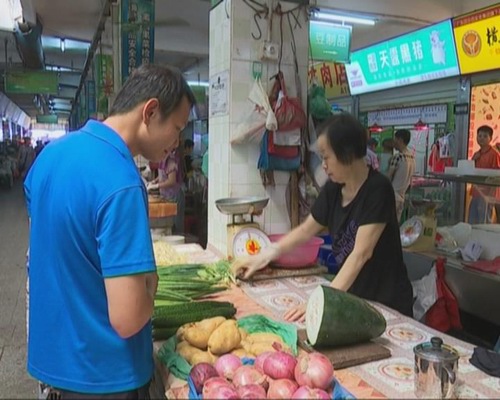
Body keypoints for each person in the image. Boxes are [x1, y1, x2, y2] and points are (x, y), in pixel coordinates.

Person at [24, 64, 195, 399]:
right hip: (105, 378)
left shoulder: (50, 156)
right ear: (150, 111)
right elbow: (128, 319)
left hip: (53, 367)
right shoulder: (121, 181)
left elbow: (51, 247)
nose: (176, 144)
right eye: (176, 129)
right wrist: (150, 285)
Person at [232, 113, 413, 322]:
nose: (323, 165)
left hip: (387, 304)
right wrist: (265, 254)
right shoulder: (334, 189)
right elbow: (306, 230)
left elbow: (361, 254)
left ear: (347, 153)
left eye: (326, 157)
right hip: (355, 299)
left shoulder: (378, 189)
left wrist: (319, 300)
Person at [147, 149, 185, 234]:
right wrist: (155, 181)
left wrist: (157, 186)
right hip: (167, 196)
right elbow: (164, 174)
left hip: (175, 196)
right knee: (170, 224)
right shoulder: (162, 161)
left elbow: (172, 181)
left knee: (176, 224)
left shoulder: (170, 161)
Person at [468, 125, 500, 224]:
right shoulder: (477, 154)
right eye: (480, 135)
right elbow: (469, 171)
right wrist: (473, 160)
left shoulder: (494, 154)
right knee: (472, 221)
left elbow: (497, 177)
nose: (481, 138)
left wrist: (489, 196)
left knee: (484, 222)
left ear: (490, 138)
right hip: (476, 193)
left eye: (485, 136)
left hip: (487, 195)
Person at [387, 129, 415, 222]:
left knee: (388, 226)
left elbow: (388, 177)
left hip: (392, 196)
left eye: (395, 139)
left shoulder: (398, 157)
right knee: (396, 226)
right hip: (402, 197)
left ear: (400, 140)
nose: (394, 142)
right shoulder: (412, 157)